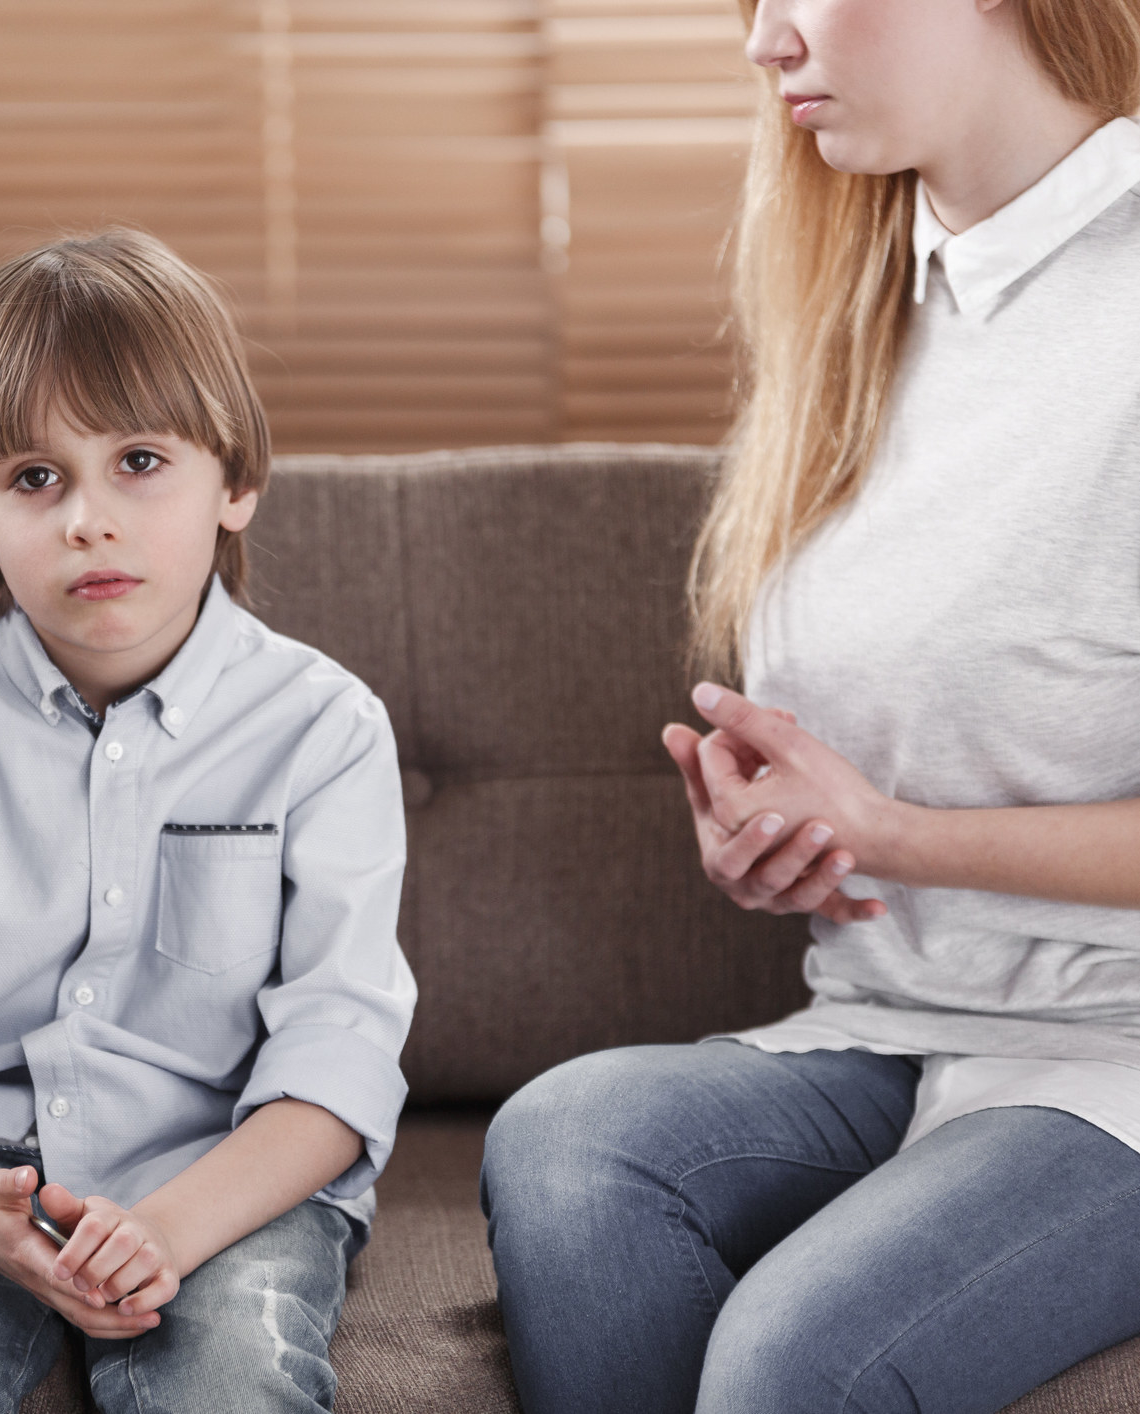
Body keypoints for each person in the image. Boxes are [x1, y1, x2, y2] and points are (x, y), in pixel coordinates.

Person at [478, 0, 1140, 1410]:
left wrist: (893, 831)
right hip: (891, 1022)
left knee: (793, 1358)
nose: (762, 41)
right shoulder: (872, 298)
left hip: (1117, 1059)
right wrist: (790, 838)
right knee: (570, 1140)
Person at [0, 229, 417, 1414]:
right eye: (35, 478)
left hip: (221, 1183)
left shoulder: (324, 727)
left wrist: (168, 1227)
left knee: (233, 1383)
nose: (87, 520)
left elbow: (339, 1054)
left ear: (236, 481)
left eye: (140, 460)